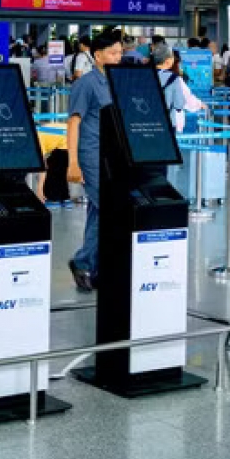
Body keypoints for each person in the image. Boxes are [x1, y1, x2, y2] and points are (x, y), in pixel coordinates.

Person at [66, 29, 124, 292]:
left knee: (99, 212)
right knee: (111, 211)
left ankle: (85, 263)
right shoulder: (86, 84)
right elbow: (74, 123)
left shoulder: (116, 82)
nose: (117, 58)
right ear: (98, 56)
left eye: (120, 53)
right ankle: (98, 265)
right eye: (113, 53)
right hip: (91, 155)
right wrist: (73, 163)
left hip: (112, 156)